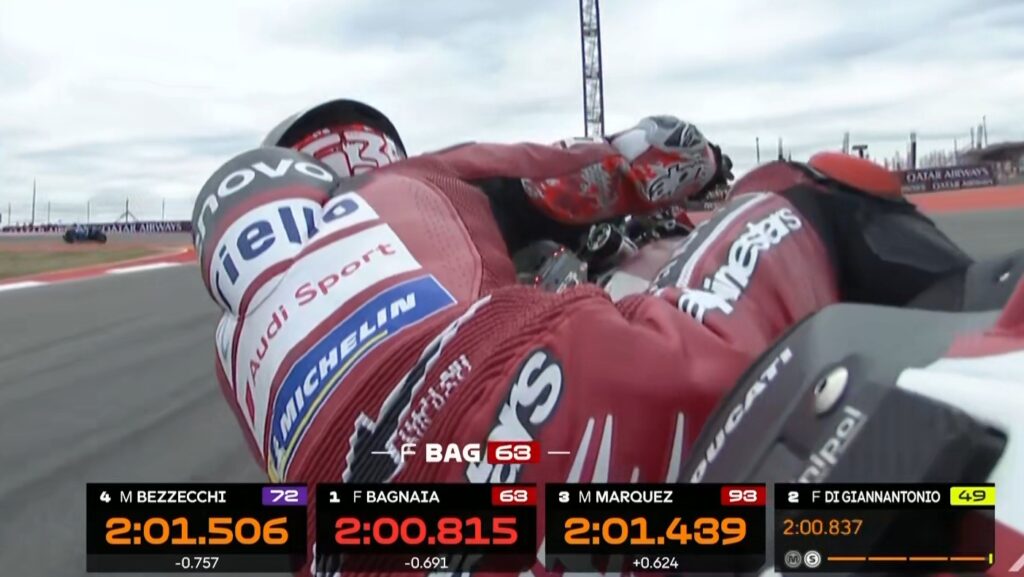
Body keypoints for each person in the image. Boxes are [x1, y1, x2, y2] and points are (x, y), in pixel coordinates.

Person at [191, 99, 973, 576]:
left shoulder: (237, 354)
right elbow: (609, 168)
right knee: (811, 192)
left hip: (363, 548)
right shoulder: (410, 183)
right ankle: (993, 351)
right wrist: (700, 159)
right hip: (543, 413)